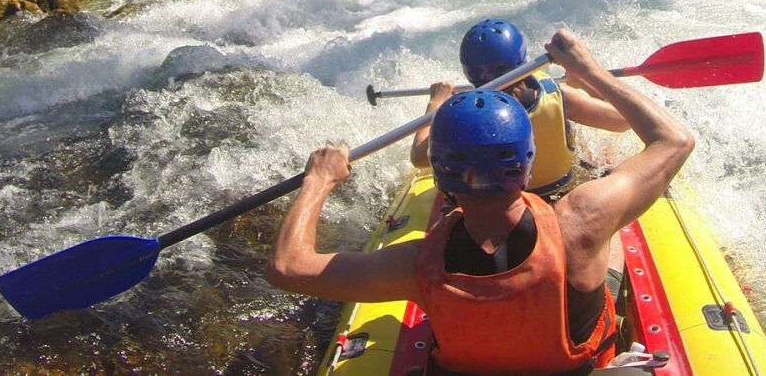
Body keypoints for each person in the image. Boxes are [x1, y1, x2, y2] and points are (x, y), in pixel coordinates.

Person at [266, 28, 695, 375]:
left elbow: (288, 267)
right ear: (527, 167)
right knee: (613, 240)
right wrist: (591, 70)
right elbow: (675, 139)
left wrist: (319, 182)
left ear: (437, 172)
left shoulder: (416, 265)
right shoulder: (585, 217)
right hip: (580, 368)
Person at [410, 18, 629, 196]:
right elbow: (622, 121)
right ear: (522, 61)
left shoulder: (463, 115)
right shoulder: (555, 94)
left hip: (501, 207)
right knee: (591, 148)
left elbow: (419, 159)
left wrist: (436, 104)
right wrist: (585, 82)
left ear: (468, 72)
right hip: (558, 193)